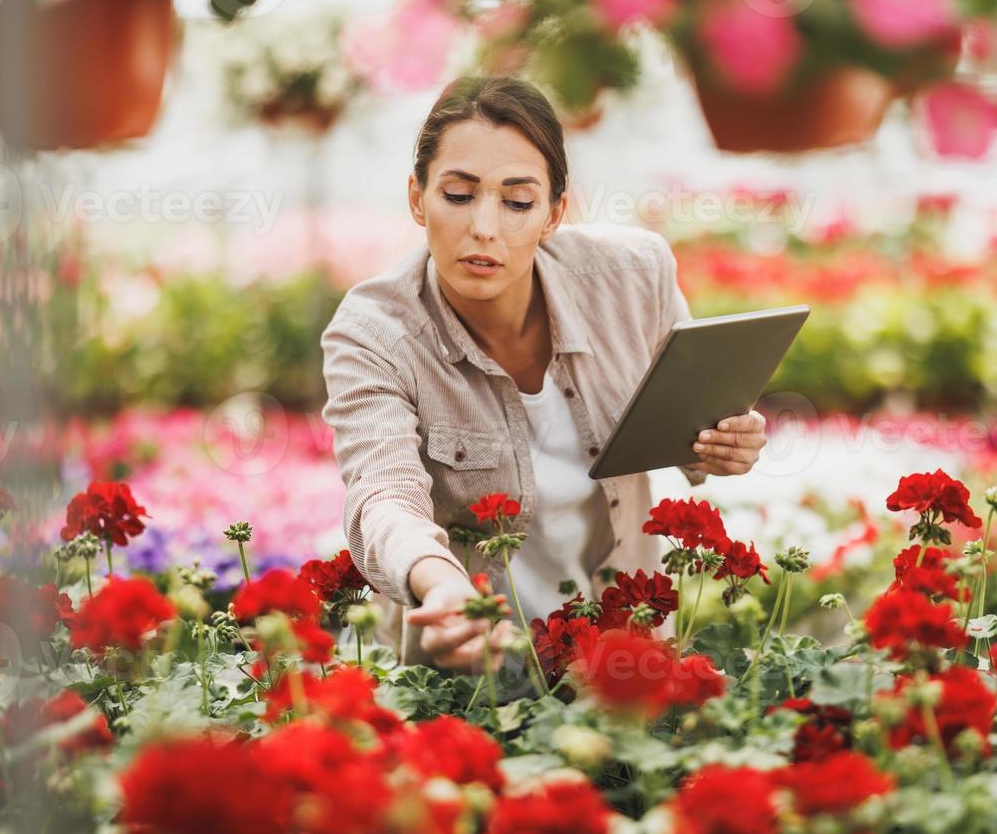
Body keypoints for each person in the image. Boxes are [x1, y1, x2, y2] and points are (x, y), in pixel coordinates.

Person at [320, 75, 767, 677]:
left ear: (555, 213)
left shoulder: (632, 276)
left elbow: (693, 427)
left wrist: (727, 442)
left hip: (624, 657)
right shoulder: (374, 332)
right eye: (457, 194)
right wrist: (443, 585)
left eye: (517, 201)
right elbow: (381, 492)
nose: (484, 226)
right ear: (416, 198)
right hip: (473, 674)